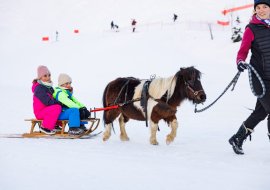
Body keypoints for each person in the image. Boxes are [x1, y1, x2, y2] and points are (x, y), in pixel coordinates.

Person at [229, 0, 270, 155]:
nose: (261, 10)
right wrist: (240, 62)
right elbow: (243, 51)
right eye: (258, 8)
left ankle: (237, 138)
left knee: (261, 112)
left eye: (265, 7)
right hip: (259, 78)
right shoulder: (251, 28)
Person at [32, 66, 63, 134]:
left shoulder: (49, 87)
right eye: (45, 76)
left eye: (49, 75)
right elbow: (47, 101)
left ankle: (56, 125)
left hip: (47, 110)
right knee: (57, 107)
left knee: (60, 107)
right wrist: (59, 103)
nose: (48, 78)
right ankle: (46, 127)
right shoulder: (39, 88)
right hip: (40, 113)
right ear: (40, 77)